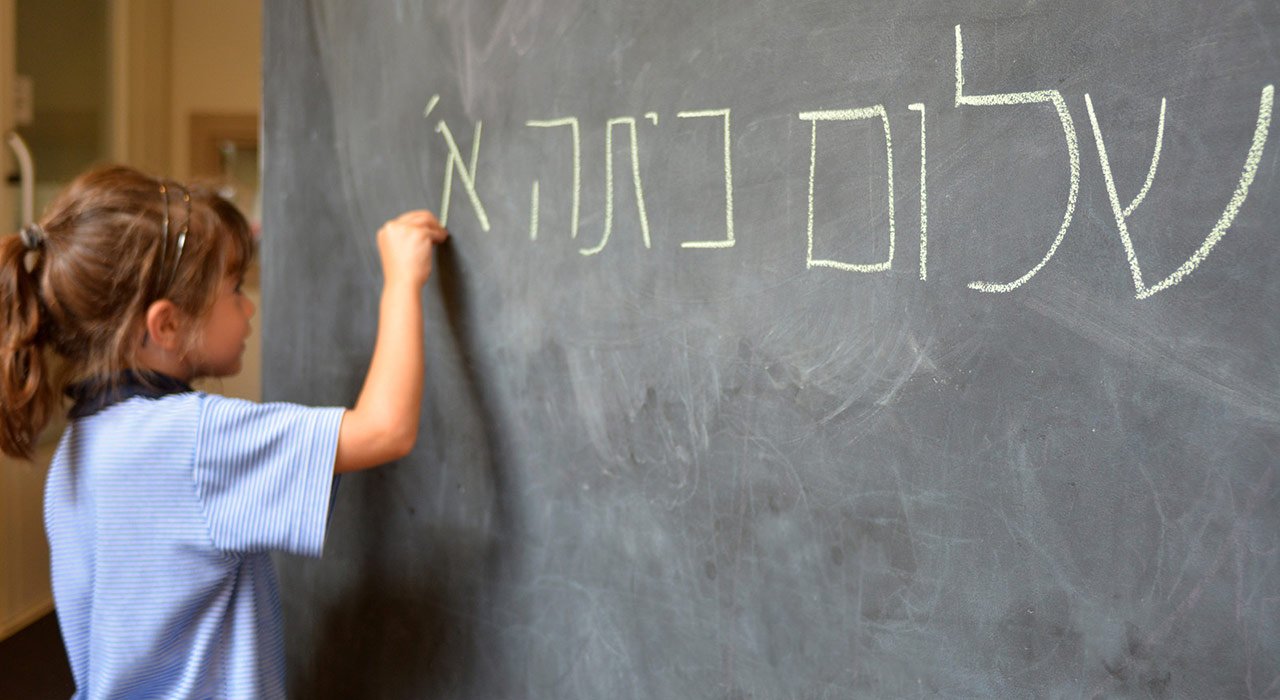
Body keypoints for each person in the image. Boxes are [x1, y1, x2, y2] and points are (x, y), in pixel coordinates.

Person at [0, 165, 448, 698]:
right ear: (165, 325)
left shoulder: (87, 443)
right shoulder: (191, 441)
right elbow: (384, 430)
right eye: (234, 289)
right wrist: (402, 282)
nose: (249, 305)